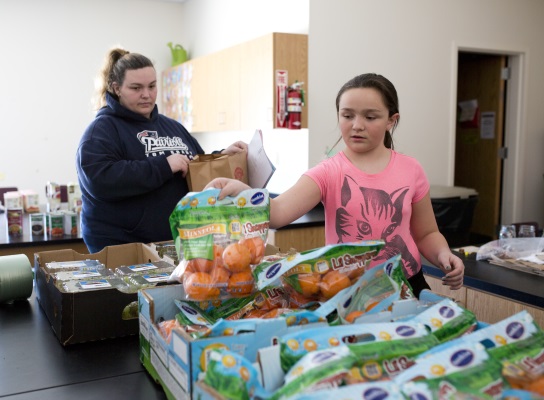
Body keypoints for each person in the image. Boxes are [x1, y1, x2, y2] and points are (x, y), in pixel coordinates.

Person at [206, 73, 464, 297]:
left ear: (391, 121)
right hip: (347, 288)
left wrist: (443, 254)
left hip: (407, 283)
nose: (357, 125)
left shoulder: (411, 170)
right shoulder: (329, 172)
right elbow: (278, 212)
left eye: (370, 117)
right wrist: (244, 191)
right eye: (347, 115)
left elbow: (426, 234)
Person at [76, 48, 247, 253]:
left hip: (174, 244)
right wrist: (164, 166)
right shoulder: (101, 130)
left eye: (152, 86)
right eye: (136, 88)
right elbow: (100, 179)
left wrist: (219, 156)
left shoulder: (172, 126)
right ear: (117, 88)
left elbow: (193, 164)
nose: (146, 95)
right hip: (124, 248)